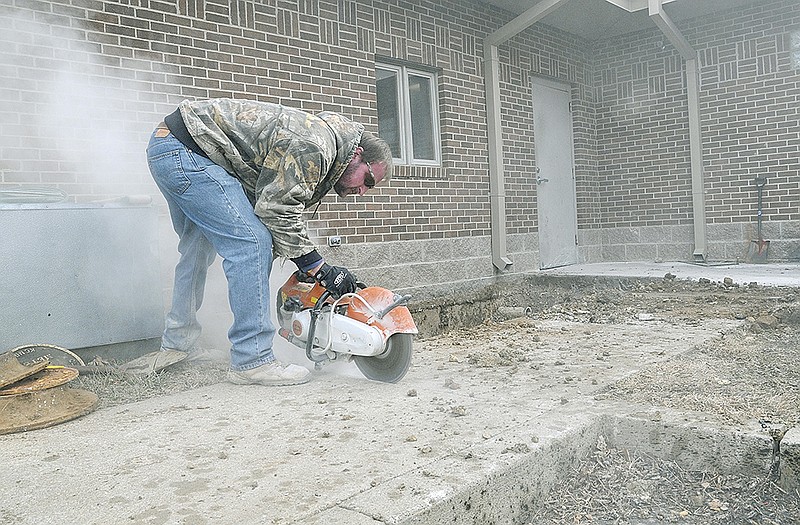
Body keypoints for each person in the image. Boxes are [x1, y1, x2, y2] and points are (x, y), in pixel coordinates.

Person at [145, 98, 393, 386]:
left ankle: (178, 342)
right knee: (251, 244)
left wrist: (306, 263)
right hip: (187, 152)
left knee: (198, 248)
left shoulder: (323, 143)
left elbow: (268, 203)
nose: (363, 191)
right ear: (357, 155)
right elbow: (276, 210)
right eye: (369, 180)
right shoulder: (315, 145)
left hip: (170, 146)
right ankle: (252, 359)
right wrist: (319, 268)